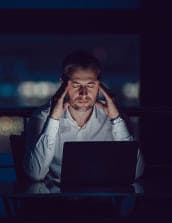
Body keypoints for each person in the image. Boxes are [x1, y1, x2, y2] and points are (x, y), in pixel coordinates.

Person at [23, 50, 144, 183]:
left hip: (102, 199)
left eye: (90, 85)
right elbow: (35, 174)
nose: (84, 93)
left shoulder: (115, 117)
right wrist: (53, 119)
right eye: (76, 85)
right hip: (57, 198)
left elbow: (136, 173)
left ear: (100, 86)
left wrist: (117, 119)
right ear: (62, 84)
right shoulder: (42, 117)